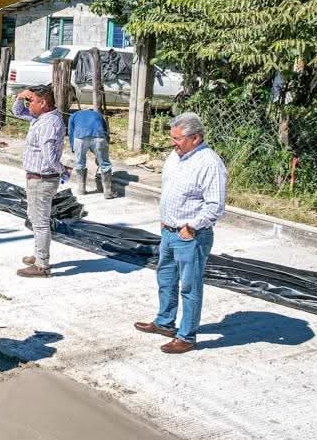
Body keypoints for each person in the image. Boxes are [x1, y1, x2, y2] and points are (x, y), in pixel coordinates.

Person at [134, 112, 227, 354]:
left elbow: (215, 205)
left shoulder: (209, 163)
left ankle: (187, 336)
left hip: (191, 236)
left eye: (177, 138)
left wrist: (192, 226)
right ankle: (165, 322)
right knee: (165, 279)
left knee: (189, 286)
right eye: (172, 137)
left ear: (195, 138)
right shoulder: (175, 157)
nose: (173, 143)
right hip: (168, 231)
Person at [13, 84, 66, 278]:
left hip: (42, 179)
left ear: (43, 103)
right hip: (37, 178)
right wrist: (20, 97)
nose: (29, 105)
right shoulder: (40, 118)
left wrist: (63, 170)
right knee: (35, 219)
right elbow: (17, 112)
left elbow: (49, 155)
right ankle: (38, 255)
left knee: (41, 223)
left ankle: (42, 265)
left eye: (32, 101)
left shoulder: (48, 123)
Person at [68, 107, 114, 198]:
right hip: (98, 136)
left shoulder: (74, 115)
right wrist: (101, 154)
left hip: (80, 137)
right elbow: (105, 131)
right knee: (105, 164)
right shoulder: (98, 114)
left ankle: (81, 189)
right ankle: (108, 192)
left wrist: (73, 147)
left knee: (80, 163)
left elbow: (71, 132)